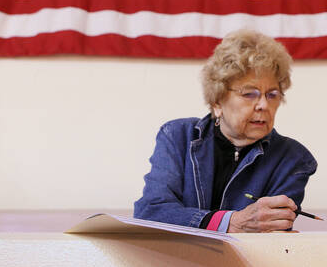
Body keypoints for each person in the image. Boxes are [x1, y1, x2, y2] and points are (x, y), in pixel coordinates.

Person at [134, 29, 317, 233]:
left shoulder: (294, 159)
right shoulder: (177, 136)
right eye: (249, 94)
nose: (264, 105)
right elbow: (150, 213)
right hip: (175, 262)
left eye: (272, 94)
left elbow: (271, 237)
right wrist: (231, 222)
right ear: (217, 101)